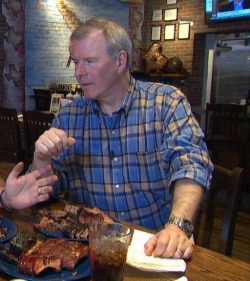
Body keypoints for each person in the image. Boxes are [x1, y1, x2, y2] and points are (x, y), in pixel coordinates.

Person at [30, 17, 213, 259]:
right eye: (76, 63)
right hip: (88, 251)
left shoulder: (166, 102)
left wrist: (179, 226)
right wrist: (41, 159)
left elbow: (192, 164)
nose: (79, 73)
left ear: (120, 61)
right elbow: (49, 189)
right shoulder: (69, 116)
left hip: (153, 247)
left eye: (90, 61)